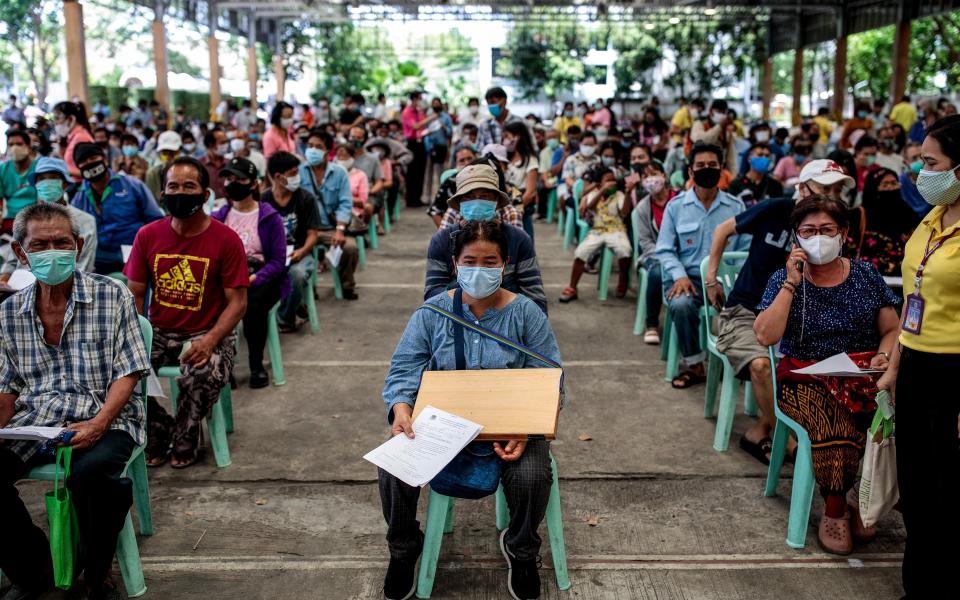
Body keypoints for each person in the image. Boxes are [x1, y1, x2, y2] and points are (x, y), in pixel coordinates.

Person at [379, 219, 562, 600]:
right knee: (392, 466)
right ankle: (403, 548)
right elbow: (404, 368)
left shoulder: (527, 314)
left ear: (505, 264)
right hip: (442, 427)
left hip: (510, 429)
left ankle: (522, 549)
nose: (480, 269)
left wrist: (524, 429)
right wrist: (400, 409)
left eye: (490, 261)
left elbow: (550, 378)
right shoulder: (432, 314)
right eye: (471, 260)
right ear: (455, 263)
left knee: (531, 476)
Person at [0, 202, 150, 600]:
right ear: (21, 252)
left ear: (78, 245)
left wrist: (100, 422)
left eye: (62, 243)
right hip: (37, 419)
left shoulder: (111, 295)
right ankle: (35, 569)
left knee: (94, 476)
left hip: (107, 416)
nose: (53, 251)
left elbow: (130, 370)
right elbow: (7, 385)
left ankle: (96, 571)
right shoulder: (10, 311)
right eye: (41, 244)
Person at [754, 195, 899, 555]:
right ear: (796, 237)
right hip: (803, 377)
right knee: (832, 422)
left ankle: (862, 493)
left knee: (895, 409)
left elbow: (892, 330)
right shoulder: (783, 279)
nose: (818, 238)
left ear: (843, 233)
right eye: (809, 231)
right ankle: (835, 509)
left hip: (860, 371)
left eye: (826, 230)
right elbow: (765, 336)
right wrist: (791, 283)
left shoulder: (865, 275)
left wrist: (882, 356)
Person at [708, 160, 854, 464]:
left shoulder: (833, 228)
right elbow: (723, 230)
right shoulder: (775, 209)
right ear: (802, 188)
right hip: (745, 312)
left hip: (799, 318)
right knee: (762, 365)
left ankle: (761, 430)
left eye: (837, 190)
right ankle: (787, 442)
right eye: (825, 188)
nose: (832, 196)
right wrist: (711, 278)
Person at [873, 114, 960, 600]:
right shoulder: (932, 217)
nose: (919, 172)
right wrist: (896, 366)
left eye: (931, 163)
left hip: (955, 372)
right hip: (918, 368)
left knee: (951, 492)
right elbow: (913, 297)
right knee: (919, 491)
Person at [124, 156, 248, 468]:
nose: (180, 192)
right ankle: (159, 427)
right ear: (162, 194)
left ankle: (185, 434)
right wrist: (136, 339)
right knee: (117, 370)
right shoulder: (148, 235)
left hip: (209, 332)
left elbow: (237, 302)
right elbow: (135, 293)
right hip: (159, 332)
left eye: (189, 186)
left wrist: (210, 341)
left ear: (206, 195)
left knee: (202, 375)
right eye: (173, 186)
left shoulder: (226, 239)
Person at [656, 143, 747, 389]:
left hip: (725, 280)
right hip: (689, 279)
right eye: (701, 166)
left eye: (712, 165)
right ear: (690, 172)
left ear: (721, 170)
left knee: (750, 309)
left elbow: (745, 251)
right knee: (681, 305)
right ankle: (695, 364)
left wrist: (729, 280)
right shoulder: (676, 207)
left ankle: (740, 366)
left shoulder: (736, 208)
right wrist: (679, 276)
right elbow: (664, 249)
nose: (707, 169)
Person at [425, 162, 546, 313]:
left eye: (484, 196)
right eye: (469, 197)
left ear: (496, 201)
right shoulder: (442, 240)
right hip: (456, 320)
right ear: (460, 202)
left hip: (508, 321)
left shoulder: (518, 239)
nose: (477, 202)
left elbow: (536, 299)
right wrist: (469, 292)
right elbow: (432, 295)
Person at [212, 157, 288, 388]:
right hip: (228, 277)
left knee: (252, 305)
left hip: (261, 276)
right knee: (213, 303)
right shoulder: (219, 216)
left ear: (253, 184)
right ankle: (223, 365)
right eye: (229, 178)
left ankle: (256, 364)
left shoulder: (269, 217)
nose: (233, 183)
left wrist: (254, 278)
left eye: (240, 178)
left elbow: (278, 261)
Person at [69, 142, 163, 274]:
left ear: (105, 159)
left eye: (93, 158)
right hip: (97, 259)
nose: (89, 163)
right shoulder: (79, 197)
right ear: (79, 168)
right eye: (83, 161)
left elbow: (155, 220)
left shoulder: (133, 185)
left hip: (133, 253)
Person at [0, 157, 97, 282]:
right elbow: (12, 261)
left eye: (53, 177)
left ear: (65, 184)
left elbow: (83, 266)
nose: (47, 182)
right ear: (36, 184)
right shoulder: (25, 218)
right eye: (42, 179)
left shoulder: (85, 221)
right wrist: (4, 279)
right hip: (21, 285)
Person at [261, 151, 322, 329]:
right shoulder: (263, 200)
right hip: (272, 255)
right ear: (278, 177)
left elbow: (313, 234)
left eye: (297, 171)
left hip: (299, 253)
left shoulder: (305, 199)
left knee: (296, 274)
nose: (297, 177)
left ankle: (285, 319)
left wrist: (302, 251)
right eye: (293, 173)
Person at [298, 130, 361, 300]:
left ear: (327, 151)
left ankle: (346, 285)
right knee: (297, 254)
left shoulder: (339, 173)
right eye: (310, 146)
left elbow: (345, 203)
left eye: (318, 147)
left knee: (350, 248)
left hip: (330, 227)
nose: (312, 150)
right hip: (305, 230)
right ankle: (308, 289)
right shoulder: (298, 171)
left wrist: (340, 230)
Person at [559, 164, 632, 302]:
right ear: (600, 183)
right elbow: (590, 207)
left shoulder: (619, 195)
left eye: (613, 180)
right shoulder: (593, 194)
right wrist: (602, 190)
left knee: (625, 250)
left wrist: (628, 193)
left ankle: (623, 281)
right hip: (597, 230)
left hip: (616, 230)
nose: (612, 183)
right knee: (581, 252)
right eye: (608, 180)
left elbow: (624, 212)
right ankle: (572, 287)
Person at [628, 161, 674, 343]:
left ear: (664, 175)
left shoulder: (679, 200)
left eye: (654, 173)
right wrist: (666, 257)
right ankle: (652, 324)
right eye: (646, 176)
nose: (651, 180)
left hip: (681, 254)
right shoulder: (642, 208)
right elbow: (645, 242)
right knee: (655, 273)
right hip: (654, 255)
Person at [852, 167, 920, 276]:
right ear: (873, 188)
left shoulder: (908, 213)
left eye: (894, 183)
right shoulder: (858, 216)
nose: (890, 188)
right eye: (885, 184)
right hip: (868, 280)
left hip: (904, 280)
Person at [502, 121, 539, 242]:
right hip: (503, 211)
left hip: (522, 211)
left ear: (518, 137)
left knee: (524, 247)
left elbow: (530, 192)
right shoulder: (504, 159)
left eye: (508, 136)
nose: (505, 140)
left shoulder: (530, 160)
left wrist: (514, 211)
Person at [401, 91, 439, 208]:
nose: (420, 101)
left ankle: (418, 198)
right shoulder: (407, 112)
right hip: (411, 143)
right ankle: (410, 199)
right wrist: (432, 118)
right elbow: (416, 126)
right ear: (413, 99)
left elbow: (422, 127)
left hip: (421, 142)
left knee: (421, 171)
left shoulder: (420, 112)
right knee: (412, 171)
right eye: (419, 99)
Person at [347, 126, 387, 234]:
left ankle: (362, 231)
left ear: (364, 139)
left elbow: (379, 181)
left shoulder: (372, 159)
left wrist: (369, 191)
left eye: (359, 137)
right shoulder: (343, 157)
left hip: (367, 193)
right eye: (353, 137)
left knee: (368, 207)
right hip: (346, 192)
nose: (355, 140)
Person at [727, 142, 783, 207]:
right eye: (760, 155)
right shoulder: (736, 185)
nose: (764, 158)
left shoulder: (775, 185)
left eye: (767, 156)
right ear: (749, 158)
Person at [0, 130, 38, 227]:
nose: (14, 148)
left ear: (29, 146)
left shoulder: (39, 168)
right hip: (11, 219)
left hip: (36, 218)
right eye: (11, 144)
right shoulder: (3, 169)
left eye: (19, 144)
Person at [690, 99, 738, 174]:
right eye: (718, 112)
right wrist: (719, 127)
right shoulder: (700, 123)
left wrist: (733, 175)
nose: (721, 115)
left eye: (723, 112)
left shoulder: (726, 130)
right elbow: (702, 141)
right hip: (700, 168)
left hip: (719, 169)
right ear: (710, 111)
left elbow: (730, 156)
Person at [422, 97, 454, 206]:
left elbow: (450, 133)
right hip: (430, 147)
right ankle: (426, 197)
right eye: (433, 103)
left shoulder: (446, 117)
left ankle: (439, 196)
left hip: (442, 146)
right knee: (428, 173)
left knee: (439, 173)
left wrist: (444, 127)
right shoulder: (429, 117)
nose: (435, 105)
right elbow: (424, 130)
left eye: (437, 103)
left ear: (440, 104)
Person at [53, 100, 95, 181]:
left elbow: (90, 171)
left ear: (70, 119)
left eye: (57, 118)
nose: (55, 123)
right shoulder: (73, 137)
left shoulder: (81, 138)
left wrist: (61, 169)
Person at [559, 131, 600, 209]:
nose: (588, 147)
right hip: (575, 193)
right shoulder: (571, 160)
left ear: (595, 145)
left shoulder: (598, 160)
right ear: (580, 144)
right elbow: (568, 179)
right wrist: (580, 189)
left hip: (593, 193)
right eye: (585, 144)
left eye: (591, 145)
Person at [145, 130, 183, 201]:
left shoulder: (187, 172)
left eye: (172, 153)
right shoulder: (152, 174)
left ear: (179, 151)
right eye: (165, 153)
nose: (169, 157)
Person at [200, 129, 229, 198]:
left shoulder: (229, 164)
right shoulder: (200, 165)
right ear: (210, 144)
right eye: (222, 143)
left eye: (226, 142)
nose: (226, 145)